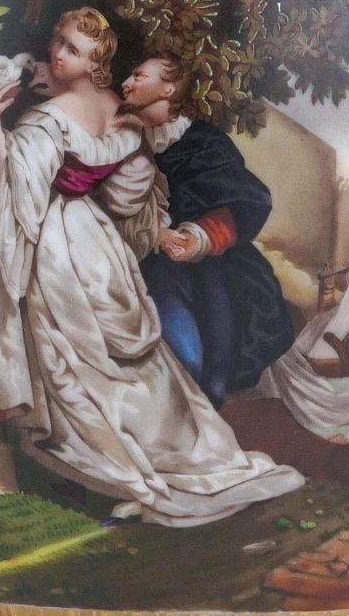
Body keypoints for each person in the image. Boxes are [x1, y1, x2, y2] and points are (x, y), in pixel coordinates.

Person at [0, 8, 302, 527]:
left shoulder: (47, 121)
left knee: (78, 357)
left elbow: (12, 195)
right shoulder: (120, 115)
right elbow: (130, 192)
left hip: (61, 243)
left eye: (73, 49)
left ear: (94, 64)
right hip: (101, 244)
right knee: (115, 357)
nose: (58, 54)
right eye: (58, 42)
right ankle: (158, 458)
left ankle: (116, 463)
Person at [116, 50, 297, 403]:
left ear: (168, 89)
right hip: (147, 262)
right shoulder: (121, 139)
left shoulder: (202, 142)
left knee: (213, 373)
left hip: (211, 263)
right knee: (184, 361)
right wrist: (154, 234)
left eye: (138, 76)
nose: (126, 84)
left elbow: (241, 202)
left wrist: (197, 239)